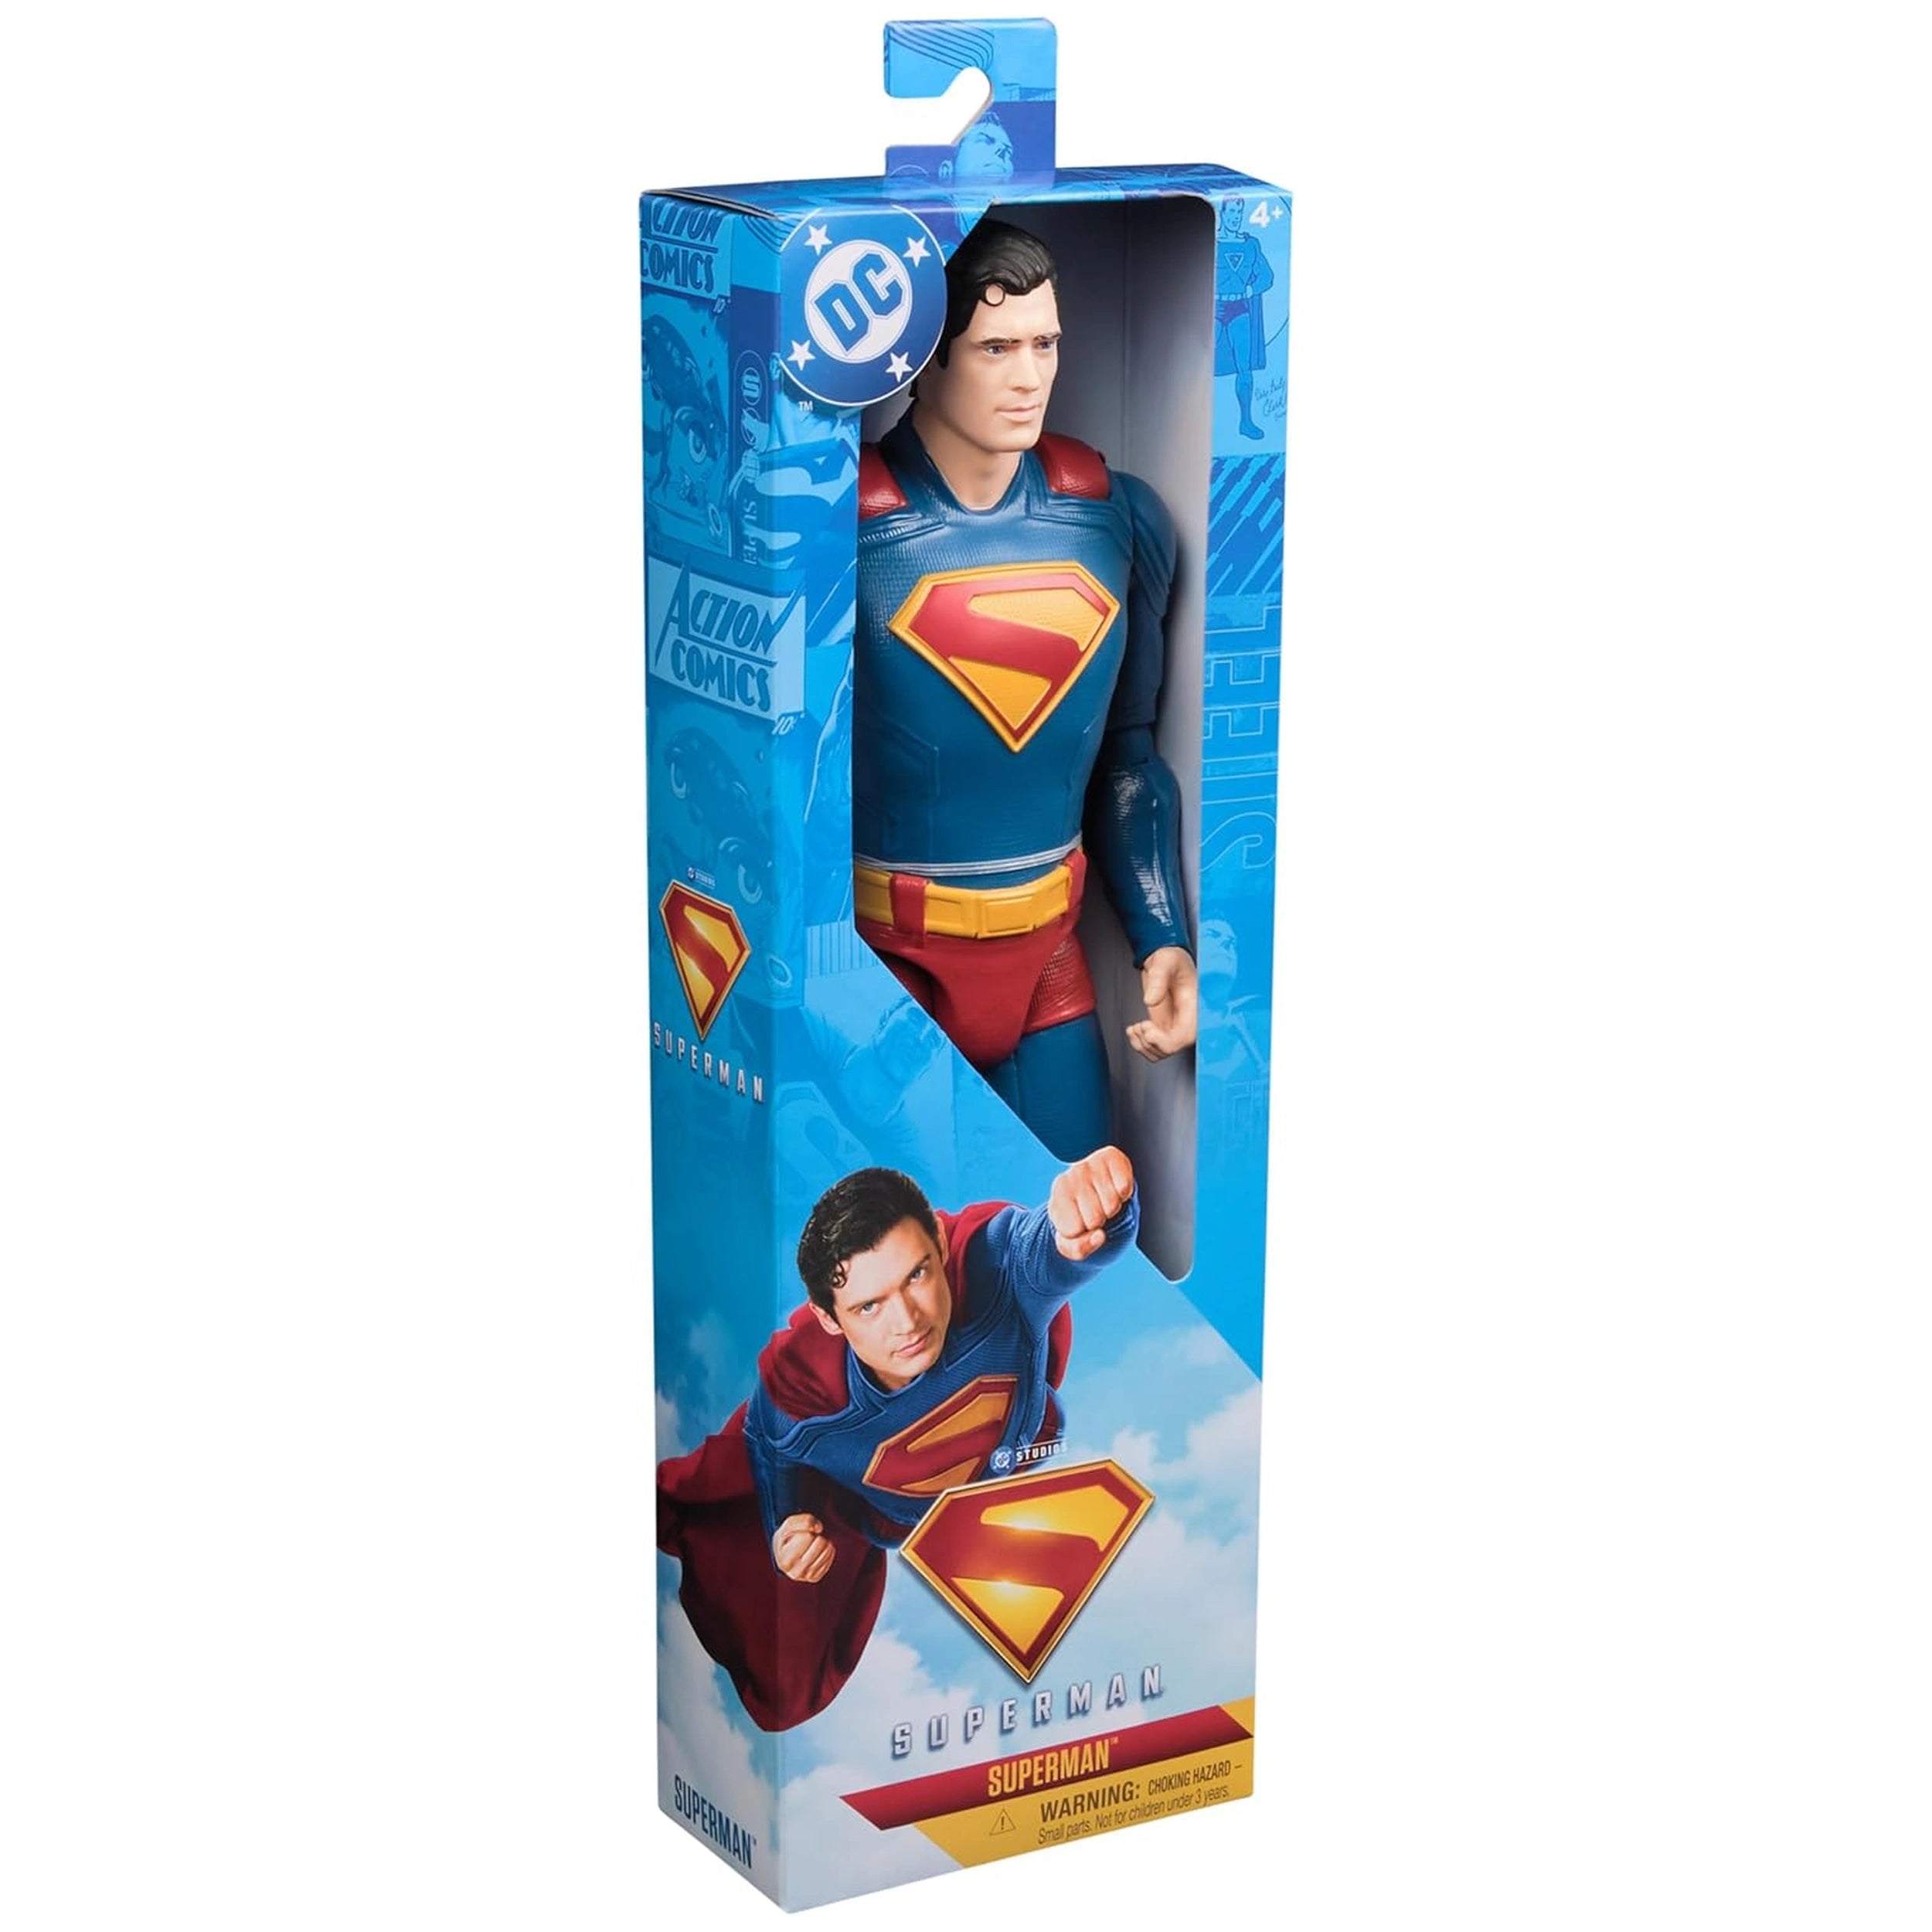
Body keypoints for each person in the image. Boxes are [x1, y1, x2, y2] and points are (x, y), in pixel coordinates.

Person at [852, 220, 1196, 1162]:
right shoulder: (843, 534)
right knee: (891, 1242)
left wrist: (1162, 934)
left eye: (1045, 344)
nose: (1029, 376)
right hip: (888, 968)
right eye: (995, 347)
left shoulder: (1115, 518)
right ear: (923, 357)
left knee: (1085, 1234)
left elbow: (1127, 759)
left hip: (1048, 961)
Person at [656, 1146, 1137, 1730]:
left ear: (939, 1242)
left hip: (1008, 1464)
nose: (907, 1321)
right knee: (783, 1677)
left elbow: (1049, 1246)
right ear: (830, 1318)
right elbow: (765, 1438)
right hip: (882, 1518)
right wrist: (787, 1520)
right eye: (869, 1306)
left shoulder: (991, 1270)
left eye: (917, 1275)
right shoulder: (806, 1390)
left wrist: (1095, 1210)